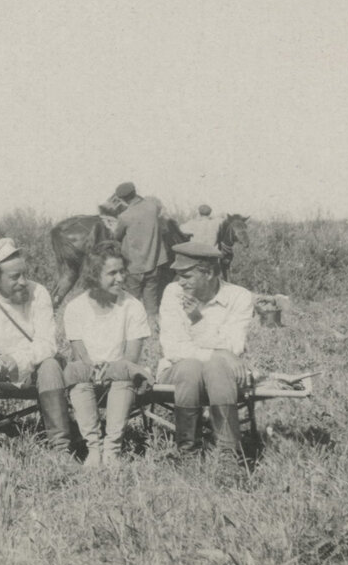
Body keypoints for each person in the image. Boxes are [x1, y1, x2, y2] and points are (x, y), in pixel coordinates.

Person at [0, 238, 74, 453]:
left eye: (25, 274)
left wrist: (17, 360)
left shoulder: (39, 293)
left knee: (51, 366)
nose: (23, 282)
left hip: (32, 369)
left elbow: (47, 344)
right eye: (14, 277)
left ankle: (61, 448)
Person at [157, 241, 256, 461]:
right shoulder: (172, 292)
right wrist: (219, 353)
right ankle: (187, 452)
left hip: (222, 376)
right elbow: (174, 348)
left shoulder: (238, 297)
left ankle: (228, 453)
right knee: (194, 366)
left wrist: (197, 321)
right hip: (178, 374)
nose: (180, 282)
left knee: (216, 366)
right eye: (177, 275)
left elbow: (234, 347)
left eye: (187, 276)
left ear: (209, 272)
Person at [62, 241, 151, 466]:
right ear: (93, 275)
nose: (120, 278)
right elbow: (80, 353)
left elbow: (131, 357)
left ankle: (112, 449)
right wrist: (94, 368)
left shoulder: (132, 306)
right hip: (89, 371)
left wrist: (108, 369)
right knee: (75, 371)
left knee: (124, 373)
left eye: (122, 271)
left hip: (120, 371)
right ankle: (94, 447)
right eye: (112, 273)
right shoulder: (75, 308)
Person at [111, 181, 169, 331]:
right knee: (151, 300)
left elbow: (116, 236)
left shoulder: (125, 216)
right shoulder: (152, 207)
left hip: (133, 266)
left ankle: (134, 330)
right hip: (154, 263)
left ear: (122, 199)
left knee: (132, 301)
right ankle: (154, 329)